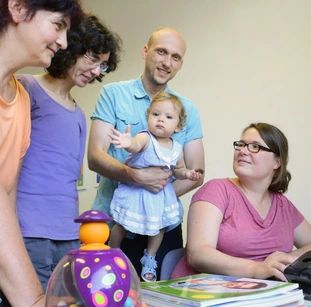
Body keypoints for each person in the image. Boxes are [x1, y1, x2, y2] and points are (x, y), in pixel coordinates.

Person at [88, 27, 205, 280]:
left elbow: (196, 170)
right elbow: (95, 156)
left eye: (175, 57)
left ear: (181, 64)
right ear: (145, 52)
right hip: (115, 219)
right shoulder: (114, 94)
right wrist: (136, 179)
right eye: (161, 52)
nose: (166, 62)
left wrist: (155, 202)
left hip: (163, 227)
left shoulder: (188, 109)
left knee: (163, 299)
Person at [16, 14, 122, 291]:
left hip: (69, 236)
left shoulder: (79, 113)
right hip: (27, 233)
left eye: (103, 65)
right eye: (92, 58)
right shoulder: (26, 88)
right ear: (70, 46)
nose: (97, 71)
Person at [0, 0, 83, 305]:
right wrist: (34, 299)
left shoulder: (22, 100)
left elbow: (7, 195)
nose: (63, 42)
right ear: (18, 8)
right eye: (58, 25)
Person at [172, 123, 311, 281]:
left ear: (277, 162)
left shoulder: (283, 205)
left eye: (255, 147)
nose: (243, 151)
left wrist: (281, 261)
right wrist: (257, 268)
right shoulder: (216, 190)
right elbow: (198, 254)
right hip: (203, 293)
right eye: (241, 145)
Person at [108, 91, 203, 282]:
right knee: (124, 224)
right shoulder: (145, 137)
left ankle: (149, 257)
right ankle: (113, 249)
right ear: (148, 117)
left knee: (159, 227)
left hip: (159, 195)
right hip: (137, 192)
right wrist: (128, 142)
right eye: (155, 114)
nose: (160, 120)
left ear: (178, 127)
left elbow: (178, 170)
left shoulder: (176, 148)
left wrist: (188, 174)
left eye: (168, 117)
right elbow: (135, 145)